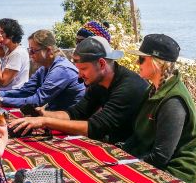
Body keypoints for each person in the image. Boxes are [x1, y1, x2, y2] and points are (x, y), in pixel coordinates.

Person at [9, 36, 148, 144]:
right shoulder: (99, 82)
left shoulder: (128, 87)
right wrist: (44, 114)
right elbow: (76, 113)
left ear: (101, 64)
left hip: (133, 150)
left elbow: (95, 128)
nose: (79, 75)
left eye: (83, 69)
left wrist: (45, 122)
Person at [121, 34, 196, 183]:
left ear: (156, 62)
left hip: (176, 175)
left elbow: (160, 157)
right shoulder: (153, 90)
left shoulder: (173, 101)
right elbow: (137, 136)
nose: (136, 62)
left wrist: (126, 167)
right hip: (154, 165)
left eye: (141, 59)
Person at [0, 29, 85, 112]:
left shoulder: (61, 70)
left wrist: (0, 100)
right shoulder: (44, 68)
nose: (30, 54)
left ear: (49, 51)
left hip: (69, 120)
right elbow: (25, 91)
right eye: (29, 50)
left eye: (33, 50)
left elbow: (37, 101)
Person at [0, 18, 30, 91]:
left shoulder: (17, 53)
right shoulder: (8, 49)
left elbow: (2, 82)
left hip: (14, 96)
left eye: (2, 32)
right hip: (6, 93)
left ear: (11, 35)